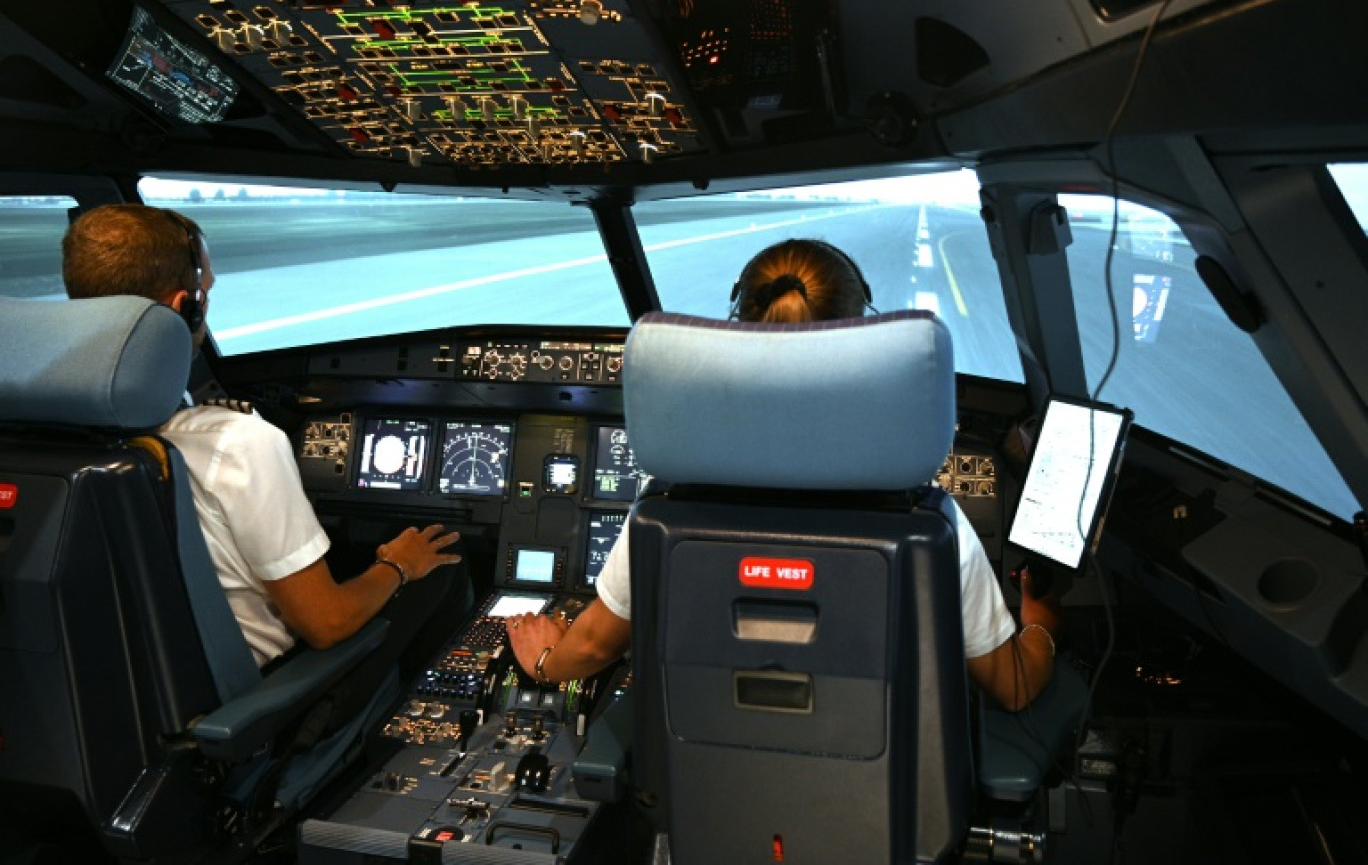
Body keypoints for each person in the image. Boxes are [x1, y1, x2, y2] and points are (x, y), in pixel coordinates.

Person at [508, 238, 1060, 711]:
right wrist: (1041, 626)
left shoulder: (668, 508)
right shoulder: (927, 521)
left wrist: (545, 662)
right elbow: (1013, 685)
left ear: (740, 333)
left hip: (707, 794)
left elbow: (596, 647)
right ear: (861, 337)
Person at [61, 203, 467, 675]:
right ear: (183, 308)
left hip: (119, 689)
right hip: (256, 706)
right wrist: (398, 564)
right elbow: (327, 625)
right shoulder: (236, 443)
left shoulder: (42, 433)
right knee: (441, 572)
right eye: (204, 293)